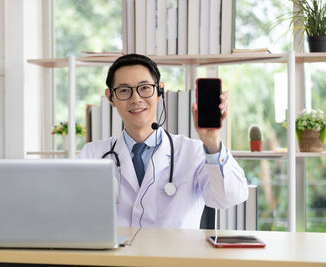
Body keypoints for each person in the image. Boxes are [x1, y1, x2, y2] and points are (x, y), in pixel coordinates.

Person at [79, 54, 248, 229]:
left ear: (159, 91)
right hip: (116, 256)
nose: (136, 99)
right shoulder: (92, 155)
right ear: (110, 97)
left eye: (144, 88)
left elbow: (230, 197)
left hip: (174, 256)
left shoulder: (194, 152)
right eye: (124, 90)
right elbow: (72, 210)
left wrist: (212, 141)